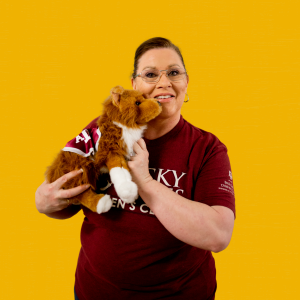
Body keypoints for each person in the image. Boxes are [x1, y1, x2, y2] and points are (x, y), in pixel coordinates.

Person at [35, 37, 236, 300]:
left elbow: (218, 235)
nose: (164, 83)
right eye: (151, 74)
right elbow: (67, 199)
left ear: (186, 82)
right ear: (134, 85)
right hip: (93, 291)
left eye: (174, 73)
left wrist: (144, 180)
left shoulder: (207, 149)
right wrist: (44, 201)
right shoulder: (103, 128)